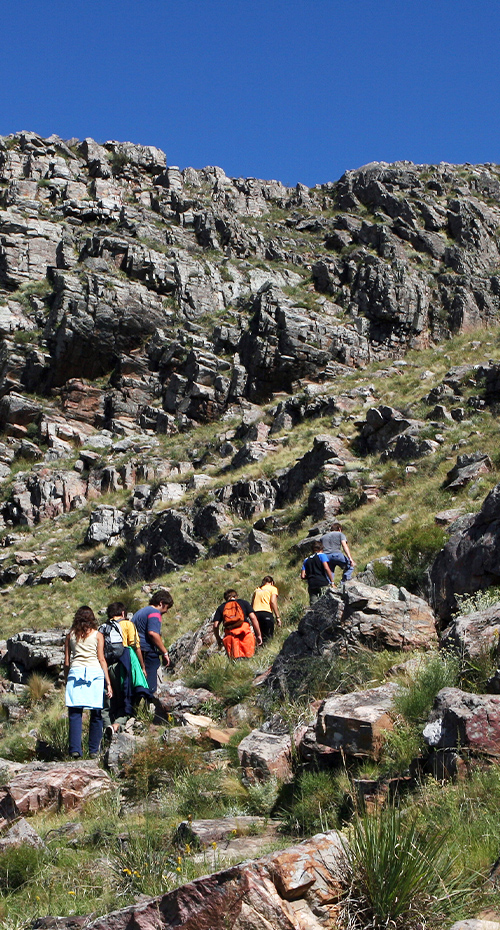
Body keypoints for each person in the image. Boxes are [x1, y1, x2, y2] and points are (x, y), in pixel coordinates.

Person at [64, 606, 112, 759]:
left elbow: (66, 662)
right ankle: (93, 750)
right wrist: (108, 682)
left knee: (75, 712)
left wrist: (66, 678)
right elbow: (101, 659)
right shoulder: (98, 635)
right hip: (94, 673)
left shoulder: (70, 635)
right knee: (96, 712)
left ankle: (75, 749)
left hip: (76, 672)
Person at [101, 601, 150, 738]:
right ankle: (118, 725)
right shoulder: (128, 624)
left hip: (107, 667)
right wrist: (142, 666)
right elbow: (135, 646)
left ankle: (106, 729)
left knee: (110, 701)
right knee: (127, 698)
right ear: (123, 613)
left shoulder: (104, 627)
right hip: (124, 665)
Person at [131, 590, 173, 693]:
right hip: (148, 652)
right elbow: (153, 633)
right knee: (153, 688)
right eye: (167, 607)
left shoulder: (139, 612)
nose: (166, 611)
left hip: (136, 651)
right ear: (161, 603)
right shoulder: (155, 613)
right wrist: (165, 652)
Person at [213, 589, 262, 658]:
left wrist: (218, 639)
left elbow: (215, 625)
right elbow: (253, 618)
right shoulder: (244, 603)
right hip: (245, 632)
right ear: (236, 596)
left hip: (230, 636)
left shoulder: (221, 607)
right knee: (248, 657)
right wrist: (259, 635)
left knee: (234, 660)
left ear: (225, 598)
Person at [301, 540, 335, 606]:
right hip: (322, 582)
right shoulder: (322, 555)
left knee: (313, 604)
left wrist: (310, 576)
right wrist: (332, 582)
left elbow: (302, 576)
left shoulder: (306, 560)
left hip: (311, 584)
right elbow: (326, 568)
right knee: (325, 602)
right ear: (321, 548)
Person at [251, 575, 281, 643]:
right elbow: (273, 602)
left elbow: (252, 604)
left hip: (256, 614)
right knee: (268, 637)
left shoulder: (257, 590)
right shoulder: (273, 588)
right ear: (272, 582)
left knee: (259, 636)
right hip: (266, 612)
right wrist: (277, 617)